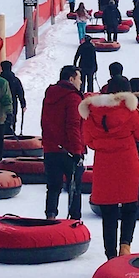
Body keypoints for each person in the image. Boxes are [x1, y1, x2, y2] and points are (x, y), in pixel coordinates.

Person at [81, 76, 139, 259]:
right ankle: (125, 245)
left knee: (108, 213)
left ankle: (110, 255)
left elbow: (89, 141)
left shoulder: (92, 113)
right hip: (128, 164)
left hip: (104, 167)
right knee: (130, 207)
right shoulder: (131, 112)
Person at [41, 65, 86, 220]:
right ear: (71, 79)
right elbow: (73, 125)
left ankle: (50, 218)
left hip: (51, 148)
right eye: (79, 78)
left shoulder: (50, 95)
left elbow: (45, 121)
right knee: (74, 188)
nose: (81, 82)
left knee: (53, 187)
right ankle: (74, 222)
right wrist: (77, 151)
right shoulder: (73, 97)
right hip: (69, 151)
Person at [0, 60, 26, 135]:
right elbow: (20, 92)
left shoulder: (0, 80)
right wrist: (23, 104)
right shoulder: (15, 80)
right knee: (12, 119)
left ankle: (1, 138)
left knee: (1, 122)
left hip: (0, 103)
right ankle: (11, 137)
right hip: (13, 102)